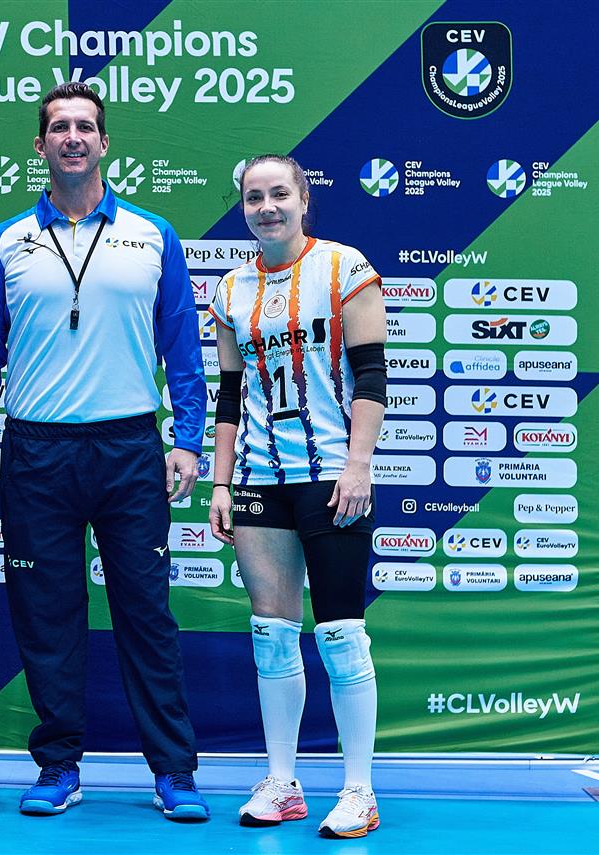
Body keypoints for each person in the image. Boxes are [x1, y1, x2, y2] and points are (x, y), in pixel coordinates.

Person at [0, 82, 209, 822]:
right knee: (47, 616)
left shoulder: (153, 234)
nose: (72, 137)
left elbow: (183, 347)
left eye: (85, 126)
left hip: (129, 447)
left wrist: (189, 439)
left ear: (105, 143)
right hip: (37, 451)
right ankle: (58, 765)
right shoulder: (6, 241)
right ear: (39, 145)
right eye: (59, 127)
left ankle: (174, 770)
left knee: (147, 613)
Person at [207, 154, 387, 839]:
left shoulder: (345, 268)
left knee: (340, 634)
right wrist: (221, 481)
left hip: (331, 474)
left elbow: (371, 376)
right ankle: (282, 782)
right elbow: (230, 396)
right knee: (272, 635)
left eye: (278, 193)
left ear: (303, 199)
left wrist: (358, 465)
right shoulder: (230, 289)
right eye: (254, 197)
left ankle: (359, 790)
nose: (267, 207)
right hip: (259, 479)